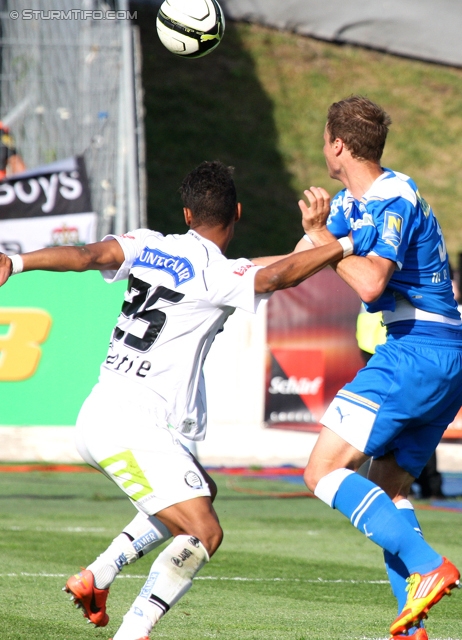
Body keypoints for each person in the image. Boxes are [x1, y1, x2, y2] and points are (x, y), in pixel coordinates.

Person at [0, 160, 354, 640]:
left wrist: (16, 262)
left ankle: (98, 576)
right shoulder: (219, 273)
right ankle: (134, 630)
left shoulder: (149, 244)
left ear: (186, 214)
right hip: (133, 424)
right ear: (239, 213)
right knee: (203, 532)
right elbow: (275, 278)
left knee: (201, 492)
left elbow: (85, 255)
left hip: (104, 409)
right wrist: (346, 244)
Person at [295, 96, 461, 640]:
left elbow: (369, 283)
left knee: (321, 472)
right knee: (388, 492)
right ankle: (413, 632)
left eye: (324, 139)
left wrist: (323, 238)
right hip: (437, 356)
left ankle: (430, 565)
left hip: (417, 351)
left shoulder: (395, 195)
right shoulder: (349, 203)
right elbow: (301, 260)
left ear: (337, 145)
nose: (323, 148)